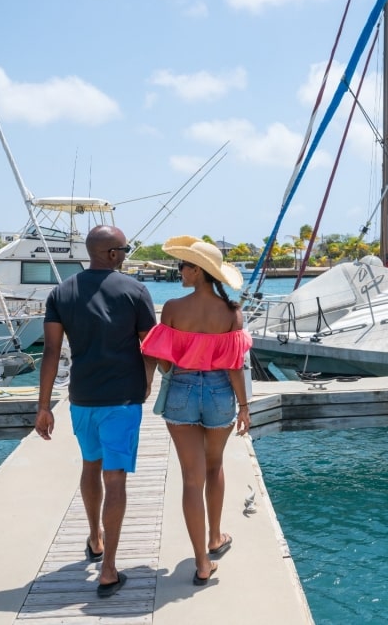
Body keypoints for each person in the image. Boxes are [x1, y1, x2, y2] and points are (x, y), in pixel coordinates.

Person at [35, 225, 157, 599]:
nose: (126, 254)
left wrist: (43, 406)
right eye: (124, 249)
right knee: (115, 478)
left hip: (82, 399)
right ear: (110, 253)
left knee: (91, 465)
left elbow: (51, 352)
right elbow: (150, 345)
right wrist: (147, 381)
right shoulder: (135, 290)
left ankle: (94, 538)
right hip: (122, 400)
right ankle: (108, 569)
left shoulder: (61, 292)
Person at [140, 235, 252, 586]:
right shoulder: (232, 311)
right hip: (220, 391)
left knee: (191, 476)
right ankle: (215, 536)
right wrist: (244, 406)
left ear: (198, 271)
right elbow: (235, 365)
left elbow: (161, 358)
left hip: (182, 391)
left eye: (183, 266)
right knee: (215, 465)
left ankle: (202, 563)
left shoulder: (173, 308)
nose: (179, 271)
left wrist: (157, 378)